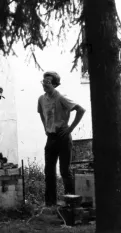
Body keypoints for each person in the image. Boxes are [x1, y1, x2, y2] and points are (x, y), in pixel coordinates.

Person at [37, 71, 86, 206]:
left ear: (54, 84)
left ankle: (70, 202)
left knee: (65, 170)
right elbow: (41, 113)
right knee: (49, 171)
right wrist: (45, 128)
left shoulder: (61, 97)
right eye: (43, 82)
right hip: (51, 137)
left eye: (47, 82)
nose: (44, 85)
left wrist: (70, 129)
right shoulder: (41, 98)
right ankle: (50, 203)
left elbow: (81, 110)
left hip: (63, 136)